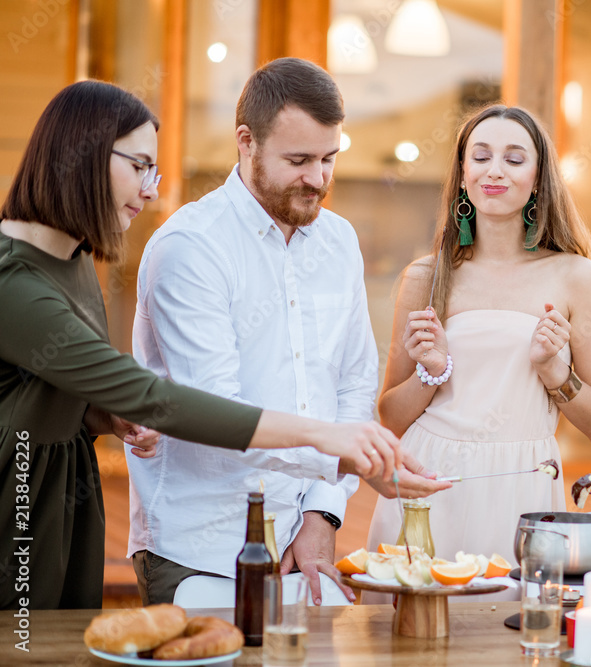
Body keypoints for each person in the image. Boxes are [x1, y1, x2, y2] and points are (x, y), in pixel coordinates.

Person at [0, 80, 431, 610]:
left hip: (70, 496)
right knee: (24, 646)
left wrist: (100, 416)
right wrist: (335, 447)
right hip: (26, 499)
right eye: (139, 167)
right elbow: (169, 402)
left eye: (329, 158)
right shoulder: (21, 281)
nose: (152, 188)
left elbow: (60, 388)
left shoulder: (73, 262)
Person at [127, 58, 451, 607]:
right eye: (298, 160)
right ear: (246, 142)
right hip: (200, 551)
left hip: (305, 545)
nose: (319, 179)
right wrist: (348, 460)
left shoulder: (339, 242)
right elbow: (217, 414)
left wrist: (324, 510)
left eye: (329, 159)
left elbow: (350, 387)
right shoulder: (189, 249)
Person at [366, 105, 591, 578]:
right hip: (432, 481)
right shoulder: (426, 277)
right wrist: (433, 371)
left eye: (514, 158)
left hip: (523, 483)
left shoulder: (574, 276)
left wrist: (555, 374)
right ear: (463, 176)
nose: (495, 170)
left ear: (539, 179)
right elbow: (391, 417)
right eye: (480, 157)